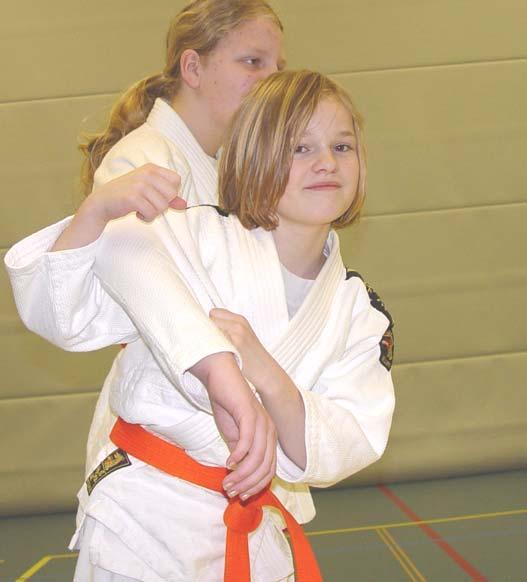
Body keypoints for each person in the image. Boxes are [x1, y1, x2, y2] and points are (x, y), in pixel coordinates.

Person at [9, 69, 395, 581]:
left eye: (342, 146)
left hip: (255, 533)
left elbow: (345, 440)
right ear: (254, 156)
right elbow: (64, 315)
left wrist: (262, 368)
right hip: (144, 522)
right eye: (300, 148)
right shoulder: (186, 236)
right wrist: (97, 211)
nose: (326, 162)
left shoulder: (358, 312)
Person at [5, 0, 286, 501]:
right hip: (161, 468)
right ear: (193, 67)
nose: (269, 81)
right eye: (253, 62)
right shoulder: (142, 161)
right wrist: (225, 376)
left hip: (220, 463)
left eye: (276, 68)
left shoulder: (224, 170)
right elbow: (80, 312)